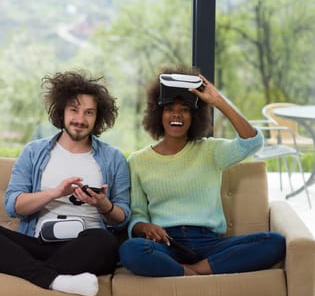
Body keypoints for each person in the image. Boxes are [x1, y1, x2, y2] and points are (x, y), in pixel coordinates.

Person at [0, 70, 130, 296]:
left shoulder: (114, 158)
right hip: (37, 244)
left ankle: (14, 266)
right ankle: (55, 280)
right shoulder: (34, 152)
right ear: (61, 111)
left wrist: (104, 206)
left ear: (98, 117)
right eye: (74, 110)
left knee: (105, 242)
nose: (80, 119)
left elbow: (122, 218)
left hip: (85, 248)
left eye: (89, 113)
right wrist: (54, 193)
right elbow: (13, 206)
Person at [119, 66, 285, 277]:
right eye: (169, 108)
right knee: (130, 250)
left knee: (274, 242)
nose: (176, 114)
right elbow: (137, 215)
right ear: (158, 113)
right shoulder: (138, 161)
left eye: (185, 109)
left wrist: (218, 101)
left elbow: (252, 142)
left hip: (210, 244)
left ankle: (192, 272)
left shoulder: (210, 150)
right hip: (166, 244)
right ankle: (197, 271)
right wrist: (145, 227)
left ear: (194, 115)